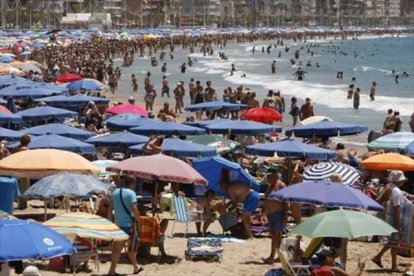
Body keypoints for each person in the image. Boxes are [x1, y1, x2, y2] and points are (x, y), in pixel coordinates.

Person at [372, 170, 409, 272]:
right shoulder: (396, 190)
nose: (403, 182)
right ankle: (391, 264)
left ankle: (382, 259)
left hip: (388, 216)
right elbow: (396, 208)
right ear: (399, 181)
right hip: (393, 218)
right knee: (394, 241)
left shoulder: (388, 187)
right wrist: (398, 224)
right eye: (402, 180)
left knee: (393, 242)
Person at [108, 176, 143, 275]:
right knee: (130, 247)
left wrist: (111, 222)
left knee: (119, 248)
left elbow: (110, 209)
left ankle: (135, 267)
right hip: (128, 224)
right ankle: (112, 271)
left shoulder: (115, 192)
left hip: (118, 223)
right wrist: (139, 220)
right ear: (132, 183)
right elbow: (134, 209)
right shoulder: (131, 193)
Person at [263, 167, 287, 264]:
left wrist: (285, 214)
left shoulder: (281, 185)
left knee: (275, 235)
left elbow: (286, 201)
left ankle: (272, 256)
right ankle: (280, 256)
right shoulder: (270, 185)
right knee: (278, 236)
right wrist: (263, 209)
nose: (268, 178)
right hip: (271, 214)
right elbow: (267, 199)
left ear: (275, 176)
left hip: (279, 213)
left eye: (269, 176)